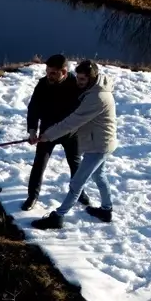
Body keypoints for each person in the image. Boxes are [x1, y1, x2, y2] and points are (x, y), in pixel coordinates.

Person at [32, 60, 116, 230]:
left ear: (92, 78)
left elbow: (72, 122)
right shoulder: (95, 89)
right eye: (77, 78)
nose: (79, 82)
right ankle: (106, 210)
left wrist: (47, 136)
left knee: (76, 183)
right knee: (99, 176)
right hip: (101, 142)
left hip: (99, 146)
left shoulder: (97, 97)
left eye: (83, 79)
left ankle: (58, 217)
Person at [23, 54, 88, 212]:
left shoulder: (76, 85)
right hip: (47, 133)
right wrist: (32, 130)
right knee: (39, 164)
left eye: (53, 73)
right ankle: (33, 196)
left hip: (70, 133)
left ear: (64, 72)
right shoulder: (42, 84)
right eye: (47, 71)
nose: (48, 75)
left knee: (75, 165)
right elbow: (33, 109)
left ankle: (80, 192)